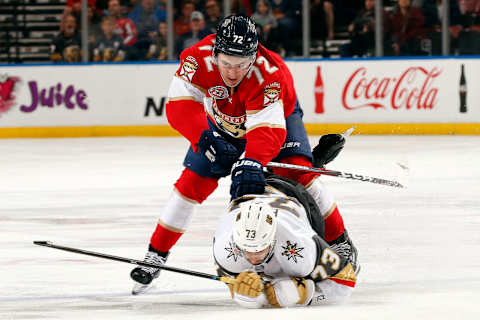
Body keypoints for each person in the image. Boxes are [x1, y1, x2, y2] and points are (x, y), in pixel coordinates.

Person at [129, 14, 353, 295]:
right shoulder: (195, 58)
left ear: (254, 56)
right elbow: (178, 105)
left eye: (241, 65)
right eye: (226, 63)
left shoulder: (271, 73)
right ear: (215, 53)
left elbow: (268, 130)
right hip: (221, 124)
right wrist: (204, 136)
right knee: (190, 186)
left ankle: (341, 242)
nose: (233, 72)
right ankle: (155, 256)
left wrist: (252, 161)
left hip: (277, 120)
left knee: (299, 173)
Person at [213, 174, 358, 308]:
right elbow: (234, 281)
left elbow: (346, 281)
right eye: (246, 249)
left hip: (292, 194)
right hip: (249, 195)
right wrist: (238, 288)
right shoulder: (224, 247)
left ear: (273, 239)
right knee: (250, 299)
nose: (252, 257)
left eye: (259, 249)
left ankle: (340, 241)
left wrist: (305, 293)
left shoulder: (301, 244)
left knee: (296, 278)